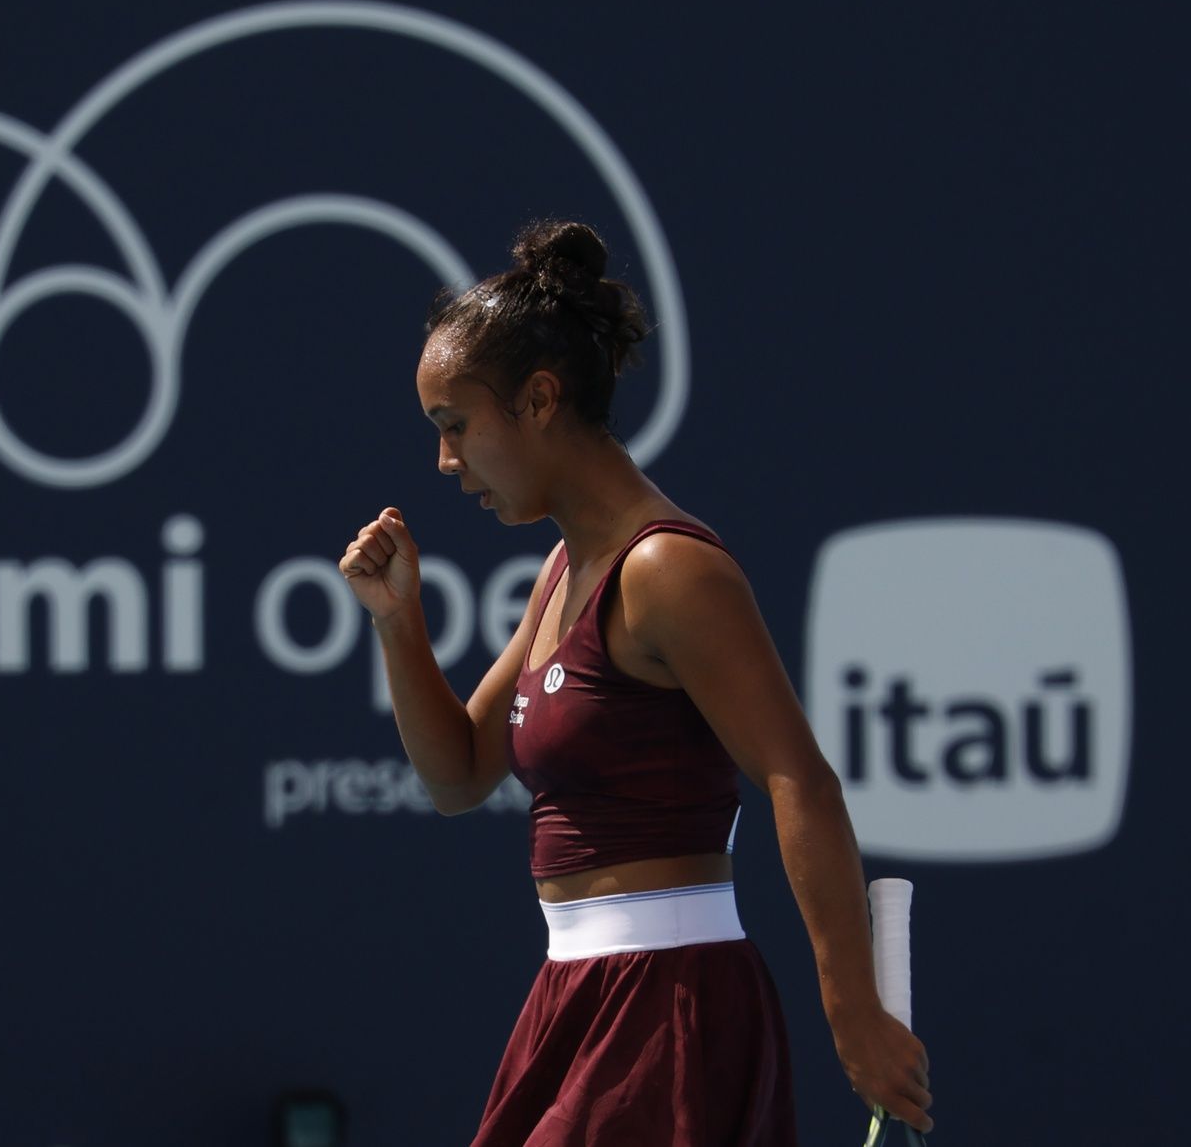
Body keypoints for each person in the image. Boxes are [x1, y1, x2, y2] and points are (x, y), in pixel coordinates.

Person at [337, 221, 933, 1145]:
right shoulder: (561, 572)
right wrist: (396, 620)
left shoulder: (667, 571)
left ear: (538, 399)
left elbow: (796, 779)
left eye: (455, 427)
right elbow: (457, 775)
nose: (446, 463)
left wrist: (850, 1012)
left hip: (669, 1006)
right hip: (572, 1002)